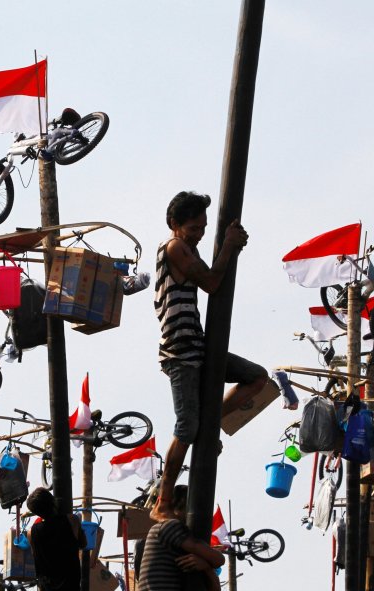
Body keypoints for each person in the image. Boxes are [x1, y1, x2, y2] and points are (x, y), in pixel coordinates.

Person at [151, 191, 269, 521]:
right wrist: (229, 245)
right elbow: (212, 283)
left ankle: (211, 423)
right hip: (179, 351)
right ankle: (162, 501)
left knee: (257, 377)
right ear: (174, 225)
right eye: (193, 228)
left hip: (198, 347)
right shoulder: (174, 247)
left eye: (203, 228)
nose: (199, 234)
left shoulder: (188, 247)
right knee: (186, 427)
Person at [137, 485, 224, 591]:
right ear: (183, 504)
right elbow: (219, 559)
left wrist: (207, 568)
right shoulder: (170, 526)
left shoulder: (181, 545)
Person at [27, 487, 86, 591]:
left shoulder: (32, 532)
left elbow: (36, 560)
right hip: (71, 586)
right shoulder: (72, 520)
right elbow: (83, 544)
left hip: (46, 587)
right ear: (52, 501)